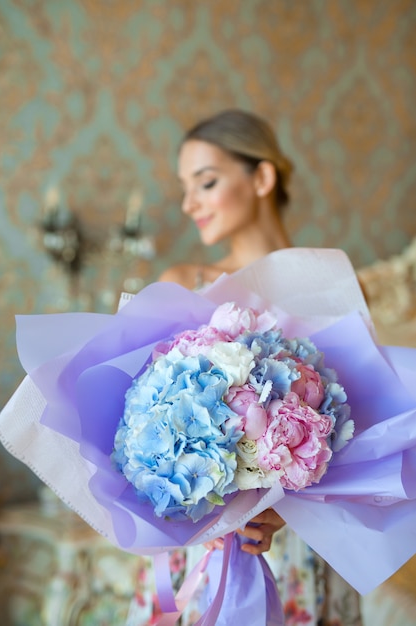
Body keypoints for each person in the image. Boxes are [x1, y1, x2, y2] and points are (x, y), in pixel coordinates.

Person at [156, 109, 362, 626]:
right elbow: (144, 418)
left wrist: (286, 511)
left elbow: (365, 434)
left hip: (303, 549)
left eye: (205, 182)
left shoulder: (329, 287)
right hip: (202, 545)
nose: (189, 203)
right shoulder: (183, 281)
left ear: (262, 177)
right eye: (185, 187)